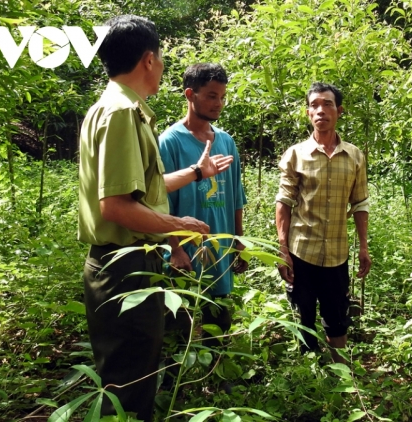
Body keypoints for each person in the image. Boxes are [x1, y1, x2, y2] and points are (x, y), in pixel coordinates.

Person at [78, 15, 233, 420]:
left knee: (132, 377)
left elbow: (143, 189)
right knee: (130, 389)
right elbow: (115, 206)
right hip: (125, 267)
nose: (161, 65)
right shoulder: (122, 114)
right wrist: (180, 226)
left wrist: (198, 173)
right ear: (149, 60)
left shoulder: (112, 108)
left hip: (124, 264)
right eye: (161, 57)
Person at [275, 82, 371, 364]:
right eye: (315, 105)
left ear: (339, 111)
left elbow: (360, 203)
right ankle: (311, 376)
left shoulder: (354, 156)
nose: (321, 111)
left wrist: (363, 246)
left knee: (337, 315)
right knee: (304, 315)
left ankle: (340, 372)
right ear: (308, 113)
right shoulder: (295, 154)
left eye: (327, 104)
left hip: (337, 254)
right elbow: (284, 201)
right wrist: (282, 248)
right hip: (301, 250)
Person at [158, 63, 247, 364]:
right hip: (184, 252)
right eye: (211, 96)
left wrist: (238, 241)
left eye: (222, 96)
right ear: (190, 95)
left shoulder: (226, 141)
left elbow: (236, 196)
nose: (218, 103)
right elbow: (161, 200)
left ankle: (218, 378)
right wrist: (175, 248)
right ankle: (172, 386)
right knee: (177, 321)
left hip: (219, 248)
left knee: (219, 318)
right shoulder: (169, 142)